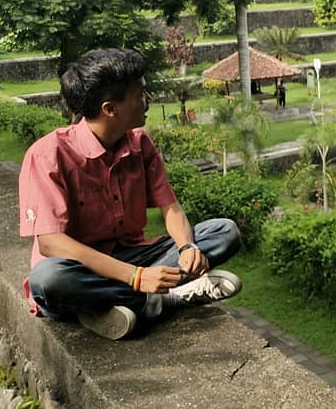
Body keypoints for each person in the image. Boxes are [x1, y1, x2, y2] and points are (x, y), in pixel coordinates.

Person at [19, 48, 242, 340]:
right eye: (139, 95)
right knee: (48, 279)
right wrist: (136, 278)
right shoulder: (48, 155)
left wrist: (187, 247)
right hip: (80, 267)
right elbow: (51, 243)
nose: (146, 102)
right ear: (110, 109)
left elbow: (170, 207)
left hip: (133, 255)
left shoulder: (140, 144)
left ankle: (105, 305)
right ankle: (164, 299)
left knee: (224, 232)